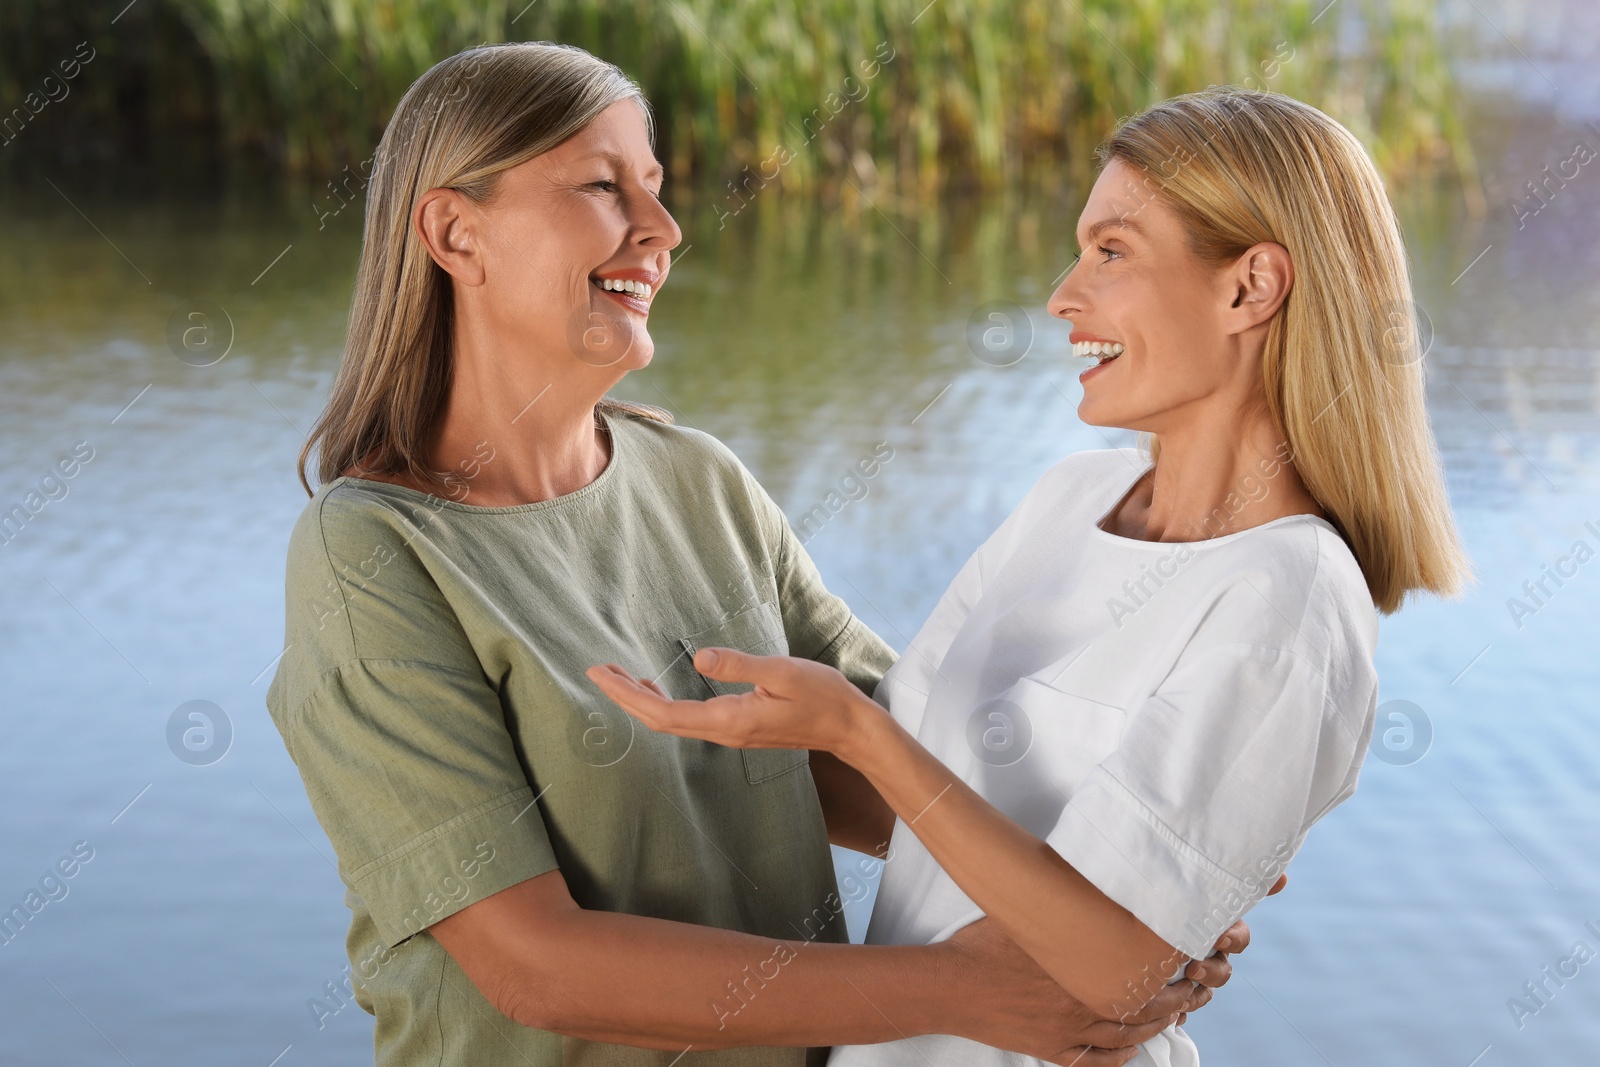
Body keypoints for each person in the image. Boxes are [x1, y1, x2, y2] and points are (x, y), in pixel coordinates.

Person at [265, 43, 1251, 1067]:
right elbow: (537, 966)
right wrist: (963, 991)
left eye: (655, 188)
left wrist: (1139, 873)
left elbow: (891, 762)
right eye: (604, 187)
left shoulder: (699, 479)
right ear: (454, 232)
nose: (663, 232)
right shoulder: (369, 555)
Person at [586, 88, 1471, 1067]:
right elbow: (907, 803)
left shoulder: (1288, 595)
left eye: (1110, 251)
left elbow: (1120, 972)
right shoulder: (1068, 496)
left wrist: (857, 727)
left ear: (1248, 286)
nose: (1062, 294)